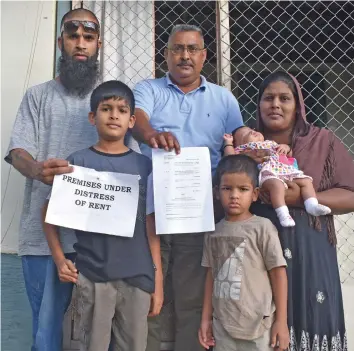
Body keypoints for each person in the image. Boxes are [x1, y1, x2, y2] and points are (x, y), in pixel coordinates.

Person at [5, 8, 135, 351]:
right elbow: (17, 152)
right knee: (46, 335)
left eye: (88, 37)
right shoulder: (38, 96)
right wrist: (37, 170)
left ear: (99, 45)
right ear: (60, 40)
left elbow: (128, 167)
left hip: (101, 243)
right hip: (43, 238)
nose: (80, 43)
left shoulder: (113, 102)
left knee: (99, 336)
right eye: (73, 35)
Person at [132, 24, 244, 351]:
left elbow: (239, 143)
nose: (184, 56)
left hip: (199, 212)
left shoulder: (224, 99)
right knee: (151, 293)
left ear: (204, 56)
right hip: (152, 211)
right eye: (177, 49)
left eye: (192, 49)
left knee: (193, 298)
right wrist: (152, 135)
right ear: (166, 54)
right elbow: (137, 119)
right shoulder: (148, 89)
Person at [42, 80, 162, 351]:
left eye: (121, 110)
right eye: (106, 109)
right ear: (92, 117)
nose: (114, 115)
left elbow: (151, 229)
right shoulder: (77, 163)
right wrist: (60, 260)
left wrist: (158, 281)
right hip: (92, 275)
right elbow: (49, 215)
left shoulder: (145, 167)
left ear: (132, 120)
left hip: (138, 278)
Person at [248, 71, 354, 350]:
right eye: (268, 98)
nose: (275, 104)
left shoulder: (323, 141)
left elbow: (351, 193)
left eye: (285, 98)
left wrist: (301, 198)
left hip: (311, 249)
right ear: (258, 105)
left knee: (312, 319)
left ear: (298, 105)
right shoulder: (247, 148)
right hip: (258, 251)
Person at [198, 155, 289, 351]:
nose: (234, 195)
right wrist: (206, 319)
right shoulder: (213, 231)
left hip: (259, 326)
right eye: (227, 188)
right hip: (223, 327)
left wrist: (281, 322)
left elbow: (278, 273)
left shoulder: (262, 228)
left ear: (255, 193)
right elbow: (210, 276)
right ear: (216, 192)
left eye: (243, 189)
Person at [223, 128, 331, 227]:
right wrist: (228, 143)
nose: (252, 131)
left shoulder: (270, 143)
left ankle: (312, 205)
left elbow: (289, 155)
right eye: (245, 134)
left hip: (286, 171)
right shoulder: (244, 150)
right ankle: (283, 214)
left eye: (251, 129)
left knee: (306, 181)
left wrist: (286, 148)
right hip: (268, 174)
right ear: (240, 144)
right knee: (277, 186)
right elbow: (230, 158)